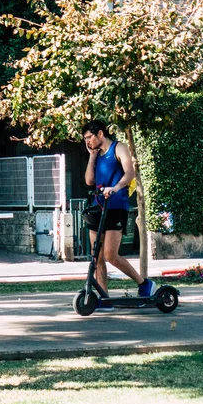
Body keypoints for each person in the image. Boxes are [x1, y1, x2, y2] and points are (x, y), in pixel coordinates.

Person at [82, 121, 156, 311]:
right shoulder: (96, 155)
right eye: (86, 140)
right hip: (98, 207)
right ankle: (104, 299)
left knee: (110, 255)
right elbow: (89, 181)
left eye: (89, 138)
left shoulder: (118, 147)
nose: (88, 142)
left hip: (116, 206)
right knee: (96, 256)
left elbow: (130, 173)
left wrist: (115, 188)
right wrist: (91, 157)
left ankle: (144, 283)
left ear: (100, 133)